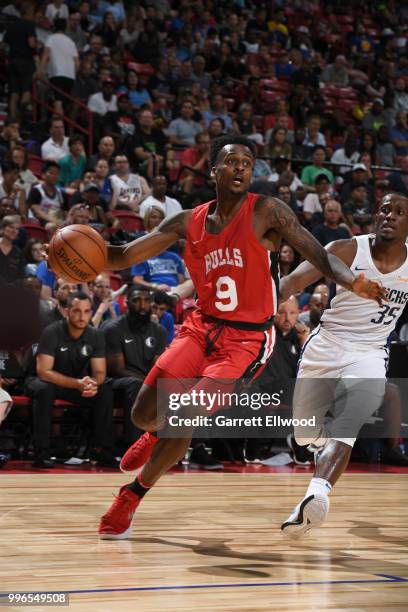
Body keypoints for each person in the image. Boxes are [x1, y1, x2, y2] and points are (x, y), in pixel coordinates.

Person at [93, 134, 383, 539]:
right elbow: (123, 255)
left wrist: (353, 282)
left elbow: (318, 254)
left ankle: (131, 495)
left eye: (248, 162)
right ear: (214, 171)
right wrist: (76, 251)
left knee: (186, 414)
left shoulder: (267, 211)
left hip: (247, 341)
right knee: (144, 412)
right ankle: (152, 431)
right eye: (232, 161)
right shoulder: (187, 221)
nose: (241, 167)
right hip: (200, 327)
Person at [280, 192, 408, 539]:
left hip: (369, 351)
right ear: (374, 217)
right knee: (304, 431)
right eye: (384, 209)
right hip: (327, 345)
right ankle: (319, 445)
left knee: (352, 416)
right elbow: (290, 283)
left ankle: (317, 493)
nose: (389, 216)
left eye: (398, 211)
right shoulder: (346, 250)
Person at [25, 291, 117, 468]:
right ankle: (41, 451)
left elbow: (99, 373)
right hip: (41, 380)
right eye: (76, 311)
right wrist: (77, 383)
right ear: (67, 311)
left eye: (86, 311)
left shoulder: (96, 335)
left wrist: (92, 384)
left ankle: (100, 450)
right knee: (45, 390)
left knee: (104, 390)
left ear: (91, 312)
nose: (82, 316)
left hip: (74, 382)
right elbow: (44, 371)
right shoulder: (51, 332)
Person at [104, 285, 167, 447]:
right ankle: (133, 444)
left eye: (146, 301)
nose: (142, 306)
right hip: (117, 383)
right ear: (126, 303)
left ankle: (173, 448)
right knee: (135, 385)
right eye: (137, 301)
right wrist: (149, 384)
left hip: (145, 382)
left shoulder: (159, 331)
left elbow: (157, 366)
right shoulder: (114, 328)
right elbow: (116, 368)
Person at [38, 18, 79, 115]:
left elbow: (45, 55)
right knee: (62, 103)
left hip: (57, 74)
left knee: (58, 103)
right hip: (70, 77)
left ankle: (59, 127)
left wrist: (39, 71)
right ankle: (58, 126)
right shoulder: (71, 42)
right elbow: (77, 63)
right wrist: (73, 74)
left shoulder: (51, 38)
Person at [0, 216, 25, 283]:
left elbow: (20, 277)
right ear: (3, 228)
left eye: (17, 229)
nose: (14, 231)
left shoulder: (19, 252)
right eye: (11, 227)